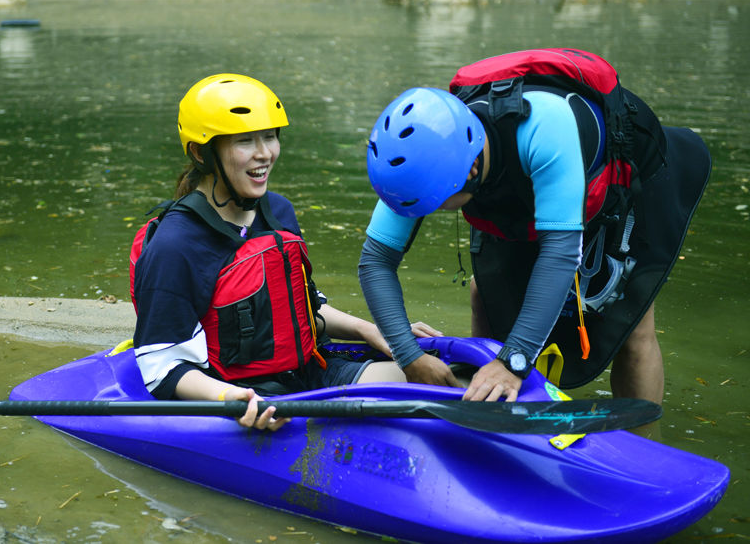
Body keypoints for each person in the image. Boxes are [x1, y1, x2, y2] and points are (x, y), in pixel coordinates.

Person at [360, 48, 711, 403]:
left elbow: (559, 255)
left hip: (615, 180)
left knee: (632, 325)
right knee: (484, 292)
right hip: (517, 188)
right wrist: (409, 356)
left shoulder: (544, 127)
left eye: (433, 204)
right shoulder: (419, 159)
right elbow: (375, 262)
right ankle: (489, 401)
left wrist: (514, 362)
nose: (426, 211)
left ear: (469, 172)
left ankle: (643, 445)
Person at [131, 73, 446, 431]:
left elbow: (306, 307)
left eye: (269, 137)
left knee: (452, 381)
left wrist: (370, 330)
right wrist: (230, 400)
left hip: (312, 375)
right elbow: (162, 366)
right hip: (245, 394)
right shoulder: (175, 245)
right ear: (202, 153)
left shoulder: (278, 211)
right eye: (245, 141)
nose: (264, 153)